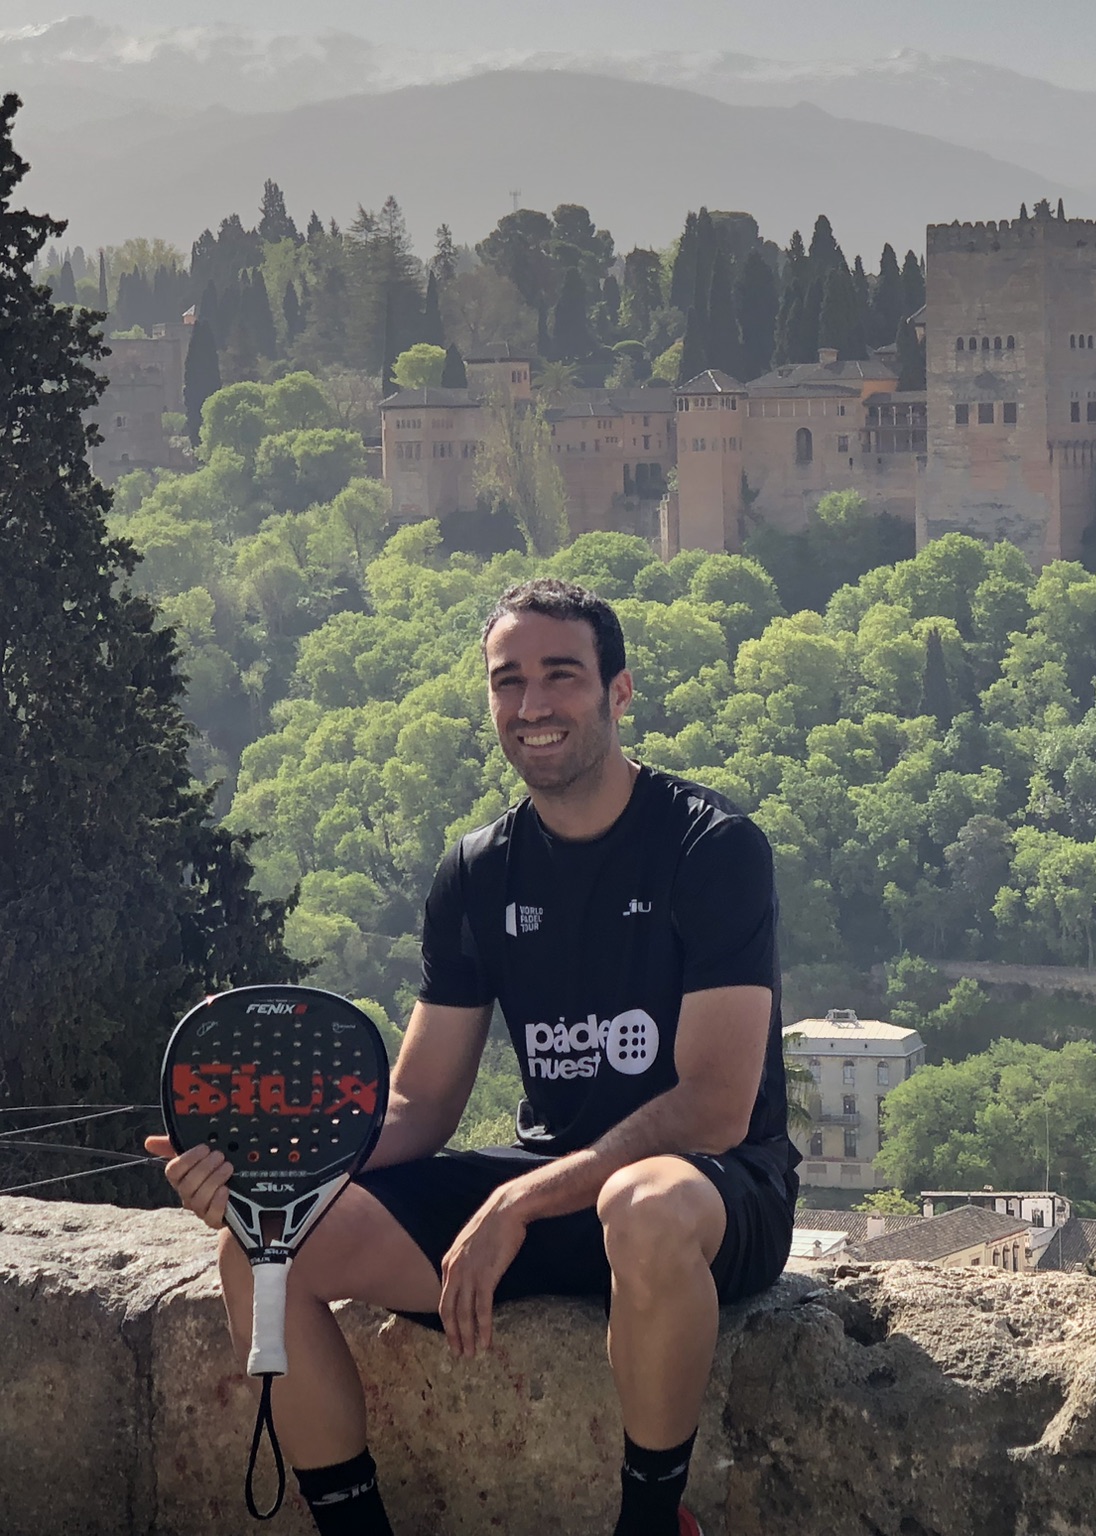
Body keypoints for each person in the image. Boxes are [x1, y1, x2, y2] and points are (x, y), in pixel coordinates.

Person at [147, 577, 798, 1536]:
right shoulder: (478, 871)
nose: (533, 706)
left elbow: (713, 1106)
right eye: (509, 682)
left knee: (642, 1202)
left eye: (561, 676)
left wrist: (518, 1202)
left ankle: (654, 1521)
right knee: (260, 1252)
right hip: (547, 1187)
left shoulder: (712, 848)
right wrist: (273, 1173)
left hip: (709, 1196)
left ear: (619, 692)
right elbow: (415, 1107)